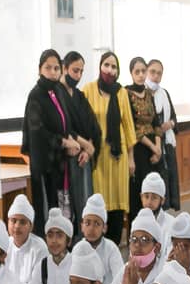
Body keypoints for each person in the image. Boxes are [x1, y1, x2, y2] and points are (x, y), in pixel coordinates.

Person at [21, 49, 91, 235]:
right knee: (48, 209)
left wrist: (72, 140)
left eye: (56, 68)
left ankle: (64, 242)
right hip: (45, 164)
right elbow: (38, 132)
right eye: (48, 68)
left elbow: (65, 123)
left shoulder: (58, 90)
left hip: (61, 161)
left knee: (64, 207)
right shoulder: (36, 95)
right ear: (39, 69)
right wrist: (64, 143)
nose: (52, 72)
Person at [83, 51, 137, 244]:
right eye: (106, 65)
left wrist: (131, 158)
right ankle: (97, 242)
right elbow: (81, 122)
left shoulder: (121, 93)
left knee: (118, 201)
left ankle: (114, 242)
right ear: (100, 66)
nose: (109, 69)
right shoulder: (88, 90)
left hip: (118, 157)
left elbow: (128, 126)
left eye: (114, 67)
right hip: (97, 157)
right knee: (100, 199)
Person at [60, 50, 101, 229]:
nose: (78, 76)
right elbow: (63, 127)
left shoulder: (79, 95)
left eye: (81, 72)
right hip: (66, 159)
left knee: (85, 204)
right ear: (64, 68)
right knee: (70, 209)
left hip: (83, 158)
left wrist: (88, 149)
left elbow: (92, 124)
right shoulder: (57, 94)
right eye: (75, 70)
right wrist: (85, 145)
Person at [112, 208, 166, 284]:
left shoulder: (164, 274)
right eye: (133, 239)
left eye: (144, 240)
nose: (137, 245)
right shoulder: (126, 270)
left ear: (157, 247)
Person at [126, 56, 163, 218]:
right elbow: (132, 127)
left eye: (143, 71)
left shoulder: (148, 93)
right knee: (140, 193)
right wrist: (153, 146)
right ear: (131, 73)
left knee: (154, 192)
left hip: (153, 150)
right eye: (137, 72)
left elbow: (156, 122)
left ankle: (155, 228)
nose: (141, 75)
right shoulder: (126, 93)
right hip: (138, 149)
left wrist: (158, 148)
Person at [27, 208, 73, 284]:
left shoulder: (76, 264)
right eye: (50, 235)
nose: (54, 241)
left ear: (68, 241)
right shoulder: (42, 265)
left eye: (59, 235)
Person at [146, 58, 180, 209]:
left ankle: (165, 210)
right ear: (146, 72)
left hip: (166, 144)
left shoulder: (164, 93)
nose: (155, 76)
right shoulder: (142, 94)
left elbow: (174, 118)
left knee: (167, 179)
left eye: (159, 73)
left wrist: (170, 124)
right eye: (152, 72)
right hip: (149, 145)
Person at [4, 193, 49, 284]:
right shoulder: (4, 245)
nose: (17, 226)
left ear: (31, 226)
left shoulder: (39, 248)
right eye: (13, 221)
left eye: (22, 222)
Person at [80, 193, 124, 284]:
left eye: (96, 224)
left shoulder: (111, 249)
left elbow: (120, 280)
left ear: (104, 228)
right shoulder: (78, 249)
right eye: (87, 223)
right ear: (82, 226)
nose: (91, 228)